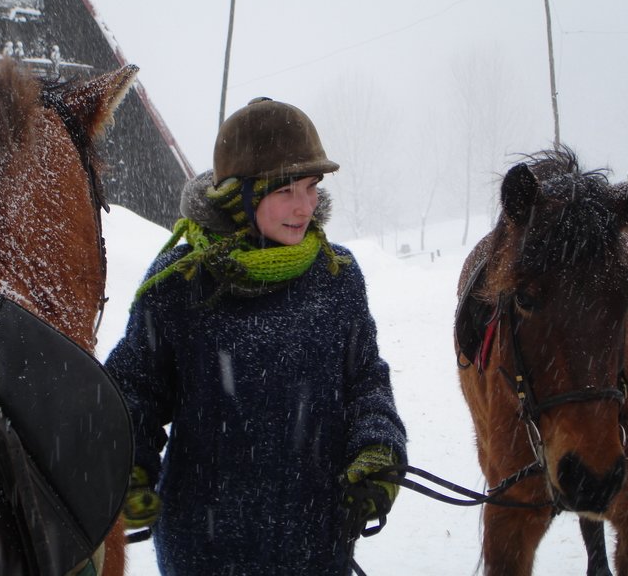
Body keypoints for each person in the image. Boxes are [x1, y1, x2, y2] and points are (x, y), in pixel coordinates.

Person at [106, 97, 407, 575]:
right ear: (239, 195)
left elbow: (366, 379)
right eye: (287, 190)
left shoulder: (337, 275)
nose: (304, 206)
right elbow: (132, 390)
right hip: (202, 546)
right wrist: (129, 467)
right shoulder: (180, 281)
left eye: (311, 188)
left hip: (317, 537)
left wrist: (378, 448)